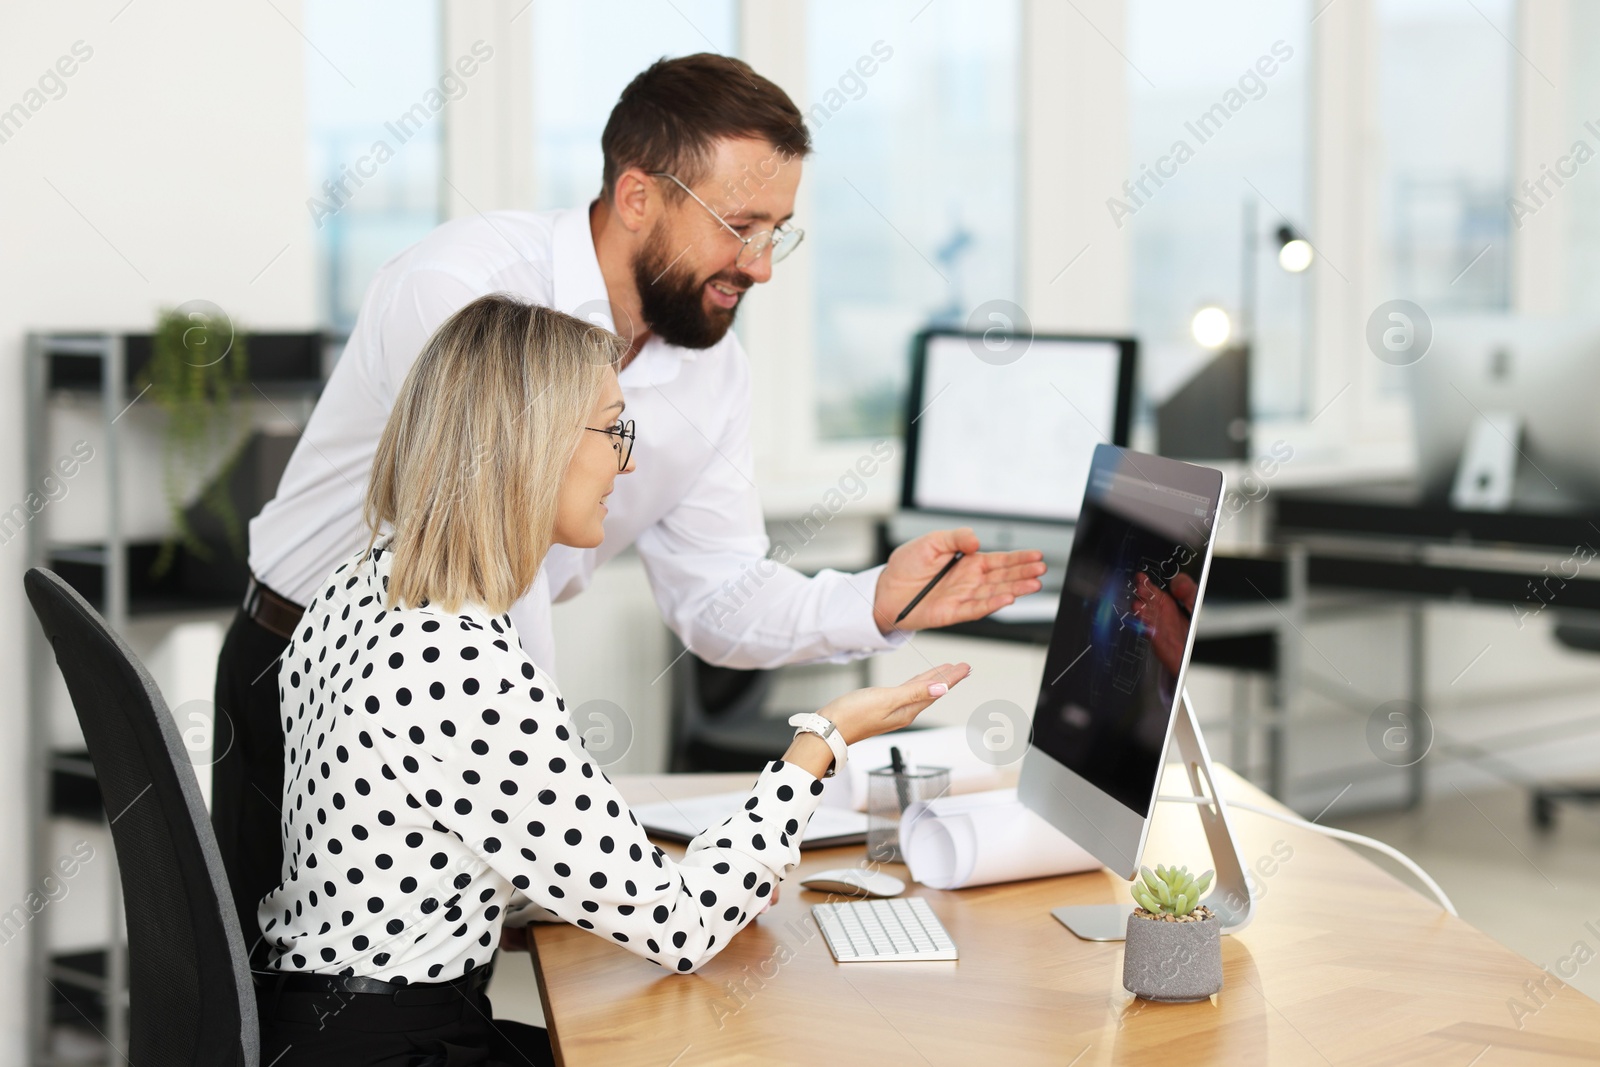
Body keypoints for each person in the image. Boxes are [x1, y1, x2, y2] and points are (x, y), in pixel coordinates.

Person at [214, 52, 1043, 956]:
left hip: (460, 706)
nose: (761, 267)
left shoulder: (712, 370)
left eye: (781, 232)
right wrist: (590, 831)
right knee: (269, 998)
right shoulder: (468, 294)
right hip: (315, 667)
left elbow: (717, 592)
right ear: (640, 195)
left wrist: (870, 601)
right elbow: (485, 578)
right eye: (741, 226)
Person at [253, 293, 971, 1065]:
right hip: (391, 1046)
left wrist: (631, 870)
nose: (627, 461)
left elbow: (441, 837)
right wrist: (823, 739)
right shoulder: (460, 663)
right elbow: (684, 928)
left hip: (322, 1020)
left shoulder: (362, 587)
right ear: (530, 443)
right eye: (613, 430)